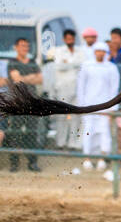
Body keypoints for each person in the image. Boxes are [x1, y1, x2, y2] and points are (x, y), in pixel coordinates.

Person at [5, 37, 46, 172]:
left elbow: (40, 79)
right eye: (22, 46)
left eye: (27, 46)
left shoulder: (33, 62)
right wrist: (30, 78)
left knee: (32, 134)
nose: (25, 49)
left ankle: (32, 162)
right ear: (16, 47)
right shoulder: (12, 63)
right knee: (15, 133)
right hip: (17, 103)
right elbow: (16, 80)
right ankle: (14, 163)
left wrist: (24, 78)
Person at [77, 42, 119, 169]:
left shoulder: (111, 68)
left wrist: (112, 108)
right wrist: (80, 106)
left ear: (105, 53)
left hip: (105, 107)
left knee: (104, 133)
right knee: (88, 131)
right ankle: (87, 159)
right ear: (94, 52)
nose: (100, 53)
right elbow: (81, 86)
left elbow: (114, 88)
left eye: (102, 51)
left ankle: (102, 159)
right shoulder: (86, 66)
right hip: (88, 105)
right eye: (98, 50)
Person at [50, 28, 86, 150]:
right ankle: (60, 143)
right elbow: (59, 66)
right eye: (67, 38)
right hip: (63, 88)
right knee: (62, 116)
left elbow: (83, 65)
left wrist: (69, 64)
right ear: (64, 39)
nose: (70, 40)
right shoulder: (59, 51)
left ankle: (73, 144)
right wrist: (74, 64)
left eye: (72, 38)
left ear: (74, 39)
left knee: (76, 116)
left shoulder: (80, 51)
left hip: (77, 88)